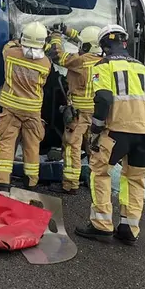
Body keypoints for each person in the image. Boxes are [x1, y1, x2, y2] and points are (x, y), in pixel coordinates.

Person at [74, 24, 145, 245]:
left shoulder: (104, 65)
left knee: (99, 173)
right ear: (125, 43)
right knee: (135, 179)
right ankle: (129, 228)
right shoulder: (143, 68)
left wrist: (96, 128)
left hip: (118, 130)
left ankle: (101, 225)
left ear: (103, 46)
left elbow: (104, 99)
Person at [0, 21, 52, 194]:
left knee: (6, 144)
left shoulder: (10, 54)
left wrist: (18, 42)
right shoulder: (46, 63)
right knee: (32, 146)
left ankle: (3, 182)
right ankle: (31, 182)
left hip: (10, 107)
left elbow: (8, 45)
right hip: (32, 110)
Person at [45, 24, 103, 194]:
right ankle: (95, 183)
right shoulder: (104, 60)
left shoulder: (81, 61)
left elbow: (58, 56)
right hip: (97, 114)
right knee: (94, 149)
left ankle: (70, 184)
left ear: (86, 47)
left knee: (72, 147)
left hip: (79, 114)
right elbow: (84, 40)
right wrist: (68, 31)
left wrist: (56, 35)